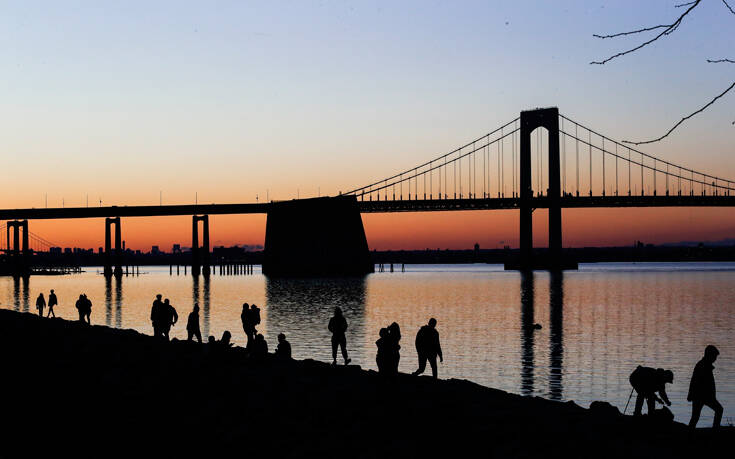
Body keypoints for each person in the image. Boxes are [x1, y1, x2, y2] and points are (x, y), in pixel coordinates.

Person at [688, 345, 723, 428]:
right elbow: (696, 381)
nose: (715, 359)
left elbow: (694, 381)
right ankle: (715, 428)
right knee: (719, 410)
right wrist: (691, 394)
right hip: (702, 396)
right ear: (709, 355)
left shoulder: (704, 365)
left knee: (695, 417)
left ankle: (689, 433)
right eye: (714, 356)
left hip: (701, 396)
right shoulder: (703, 366)